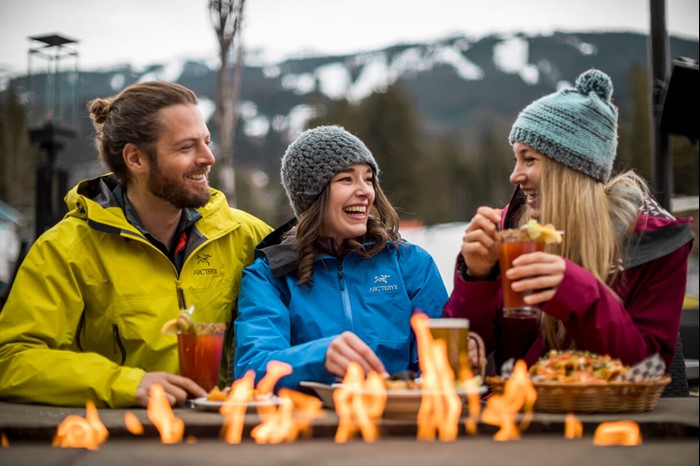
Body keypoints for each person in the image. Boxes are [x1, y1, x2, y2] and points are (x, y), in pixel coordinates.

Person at [0, 81, 272, 408]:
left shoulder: (247, 235)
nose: (208, 157)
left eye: (207, 141)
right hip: (118, 442)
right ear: (136, 159)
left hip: (226, 439)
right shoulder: (64, 249)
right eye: (187, 147)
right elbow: (12, 360)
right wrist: (128, 384)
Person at [445, 69, 695, 390]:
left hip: (615, 426)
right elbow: (462, 354)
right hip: (517, 417)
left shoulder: (655, 243)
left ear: (570, 168)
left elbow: (646, 369)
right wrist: (476, 278)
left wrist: (581, 293)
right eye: (515, 159)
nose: (515, 175)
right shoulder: (511, 231)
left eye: (529, 159)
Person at [233, 125, 448, 389]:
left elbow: (442, 360)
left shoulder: (410, 264)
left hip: (400, 424)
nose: (366, 192)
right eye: (346, 179)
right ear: (312, 196)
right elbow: (252, 368)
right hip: (309, 426)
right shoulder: (269, 277)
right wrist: (318, 358)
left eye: (368, 179)